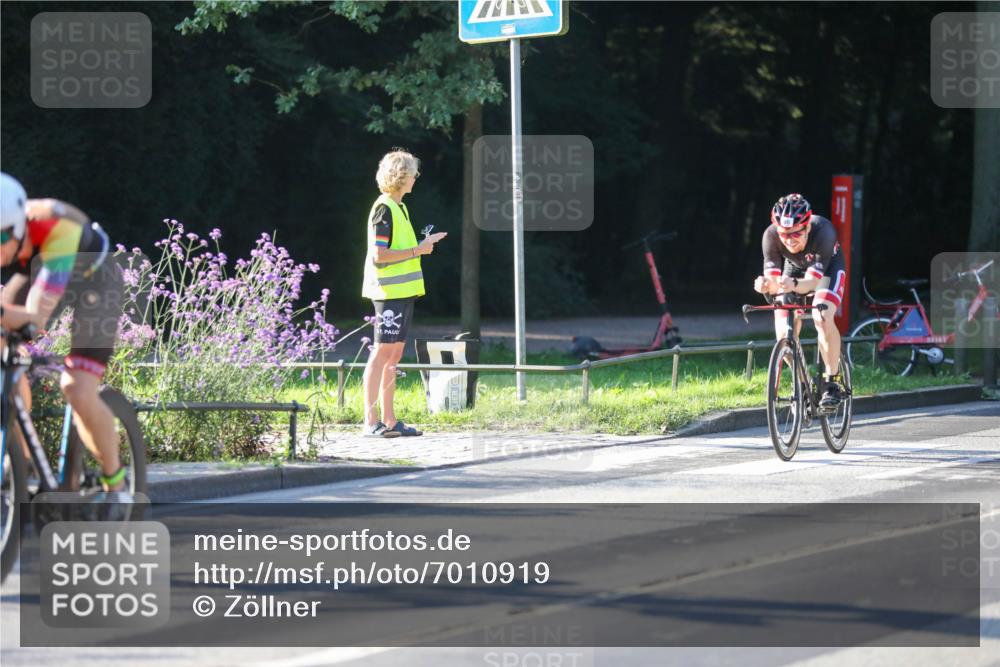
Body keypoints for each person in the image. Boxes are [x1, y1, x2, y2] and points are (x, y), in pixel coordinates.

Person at [0, 172, 130, 502]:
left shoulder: (57, 227)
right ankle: (17, 456)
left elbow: (34, 319)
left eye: (1, 239)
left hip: (94, 279)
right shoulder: (12, 230)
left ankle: (116, 486)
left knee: (77, 387)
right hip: (36, 268)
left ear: (18, 227)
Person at [361, 151, 447, 437]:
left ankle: (390, 421)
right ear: (400, 176)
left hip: (403, 293)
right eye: (412, 172)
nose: (415, 177)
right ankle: (370, 421)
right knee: (381, 353)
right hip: (388, 293)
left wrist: (422, 245)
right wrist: (418, 250)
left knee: (394, 355)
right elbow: (379, 256)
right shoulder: (384, 208)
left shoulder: (401, 208)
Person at [753, 193, 847, 407]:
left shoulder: (824, 231)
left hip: (826, 270)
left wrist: (792, 285)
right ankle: (803, 383)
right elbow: (773, 279)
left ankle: (833, 381)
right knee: (783, 334)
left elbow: (812, 283)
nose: (789, 240)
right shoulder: (770, 236)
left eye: (796, 234)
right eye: (784, 234)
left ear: (807, 227)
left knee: (821, 315)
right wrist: (766, 285)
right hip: (794, 268)